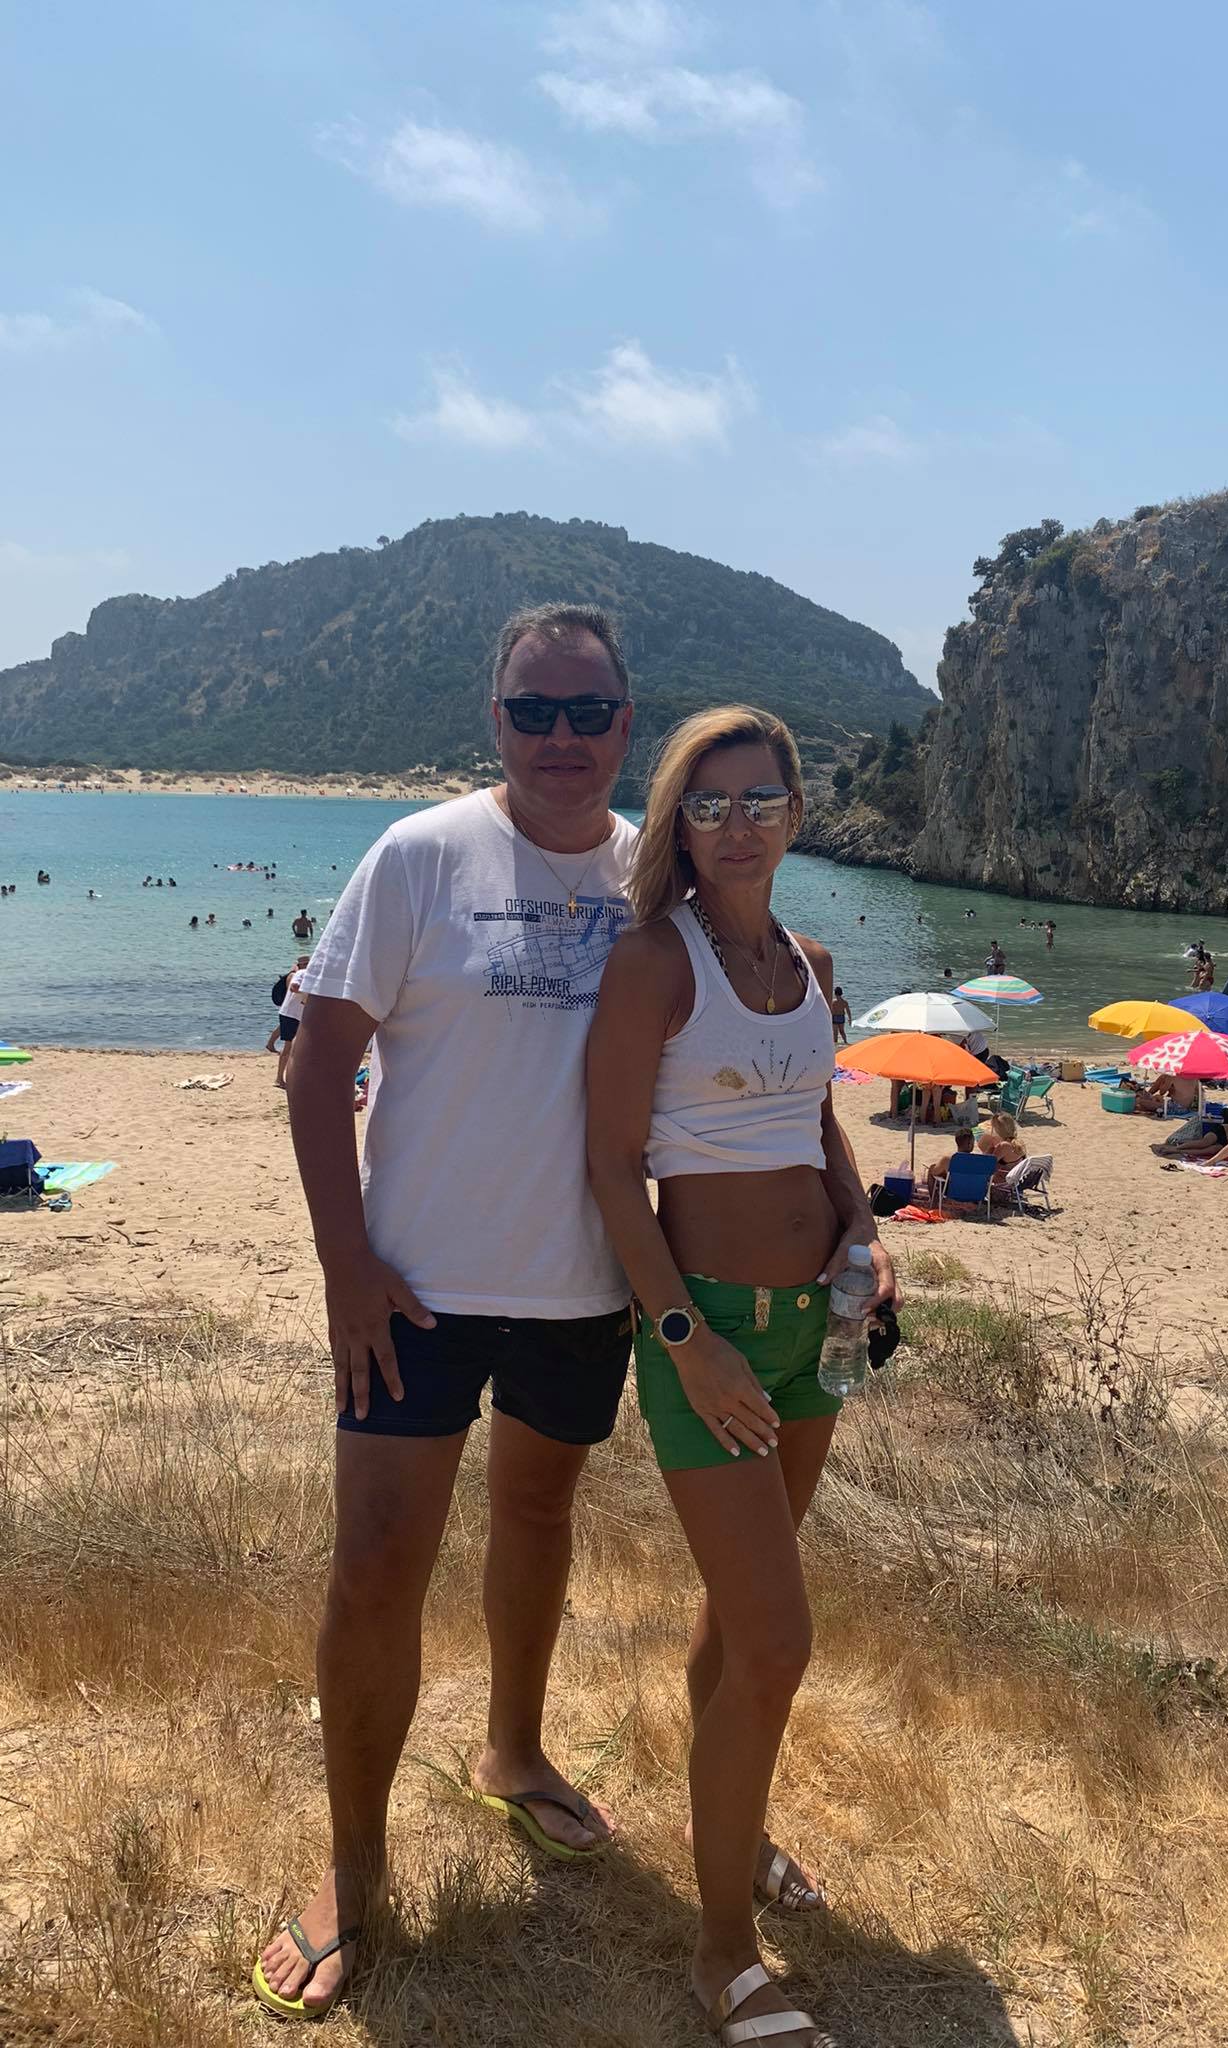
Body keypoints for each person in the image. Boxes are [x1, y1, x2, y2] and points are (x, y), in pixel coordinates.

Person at [254, 604, 638, 2020]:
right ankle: (354, 1871)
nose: (559, 736)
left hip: (583, 1286)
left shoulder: (651, 872)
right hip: (409, 1290)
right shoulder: (418, 855)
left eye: (585, 710)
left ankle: (512, 1753)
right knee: (374, 1570)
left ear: (626, 723)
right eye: (533, 710)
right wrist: (344, 1267)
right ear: (496, 722)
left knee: (540, 1518)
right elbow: (318, 1067)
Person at [586, 704, 897, 2048]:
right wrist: (683, 1337)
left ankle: (736, 1830)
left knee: (736, 1618)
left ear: (796, 814)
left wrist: (866, 1227)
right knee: (778, 1638)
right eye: (708, 804)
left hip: (814, 1325)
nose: (736, 825)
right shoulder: (654, 961)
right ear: (678, 821)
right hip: (707, 1329)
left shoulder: (810, 962)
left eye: (760, 799)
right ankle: (722, 1953)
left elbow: (815, 1115)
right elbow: (612, 1169)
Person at [273, 955, 311, 1081]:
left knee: (299, 1046)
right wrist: (310, 991)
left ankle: (294, 1076)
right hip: (290, 1014)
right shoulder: (301, 973)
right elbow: (294, 987)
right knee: (288, 1047)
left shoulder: (310, 975)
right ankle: (279, 1078)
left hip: (299, 1015)